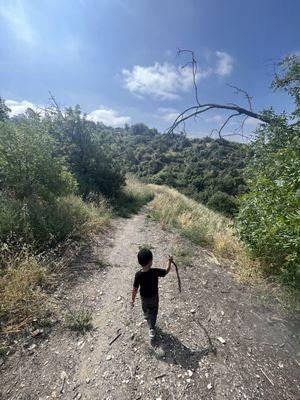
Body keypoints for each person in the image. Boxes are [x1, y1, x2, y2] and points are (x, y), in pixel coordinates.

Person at [131, 248, 172, 340]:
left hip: (143, 297)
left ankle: (145, 315)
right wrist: (169, 261)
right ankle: (152, 328)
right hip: (154, 297)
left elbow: (135, 289)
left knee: (144, 306)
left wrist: (132, 299)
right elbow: (166, 271)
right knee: (153, 312)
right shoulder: (155, 271)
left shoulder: (138, 275)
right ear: (151, 261)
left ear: (139, 262)